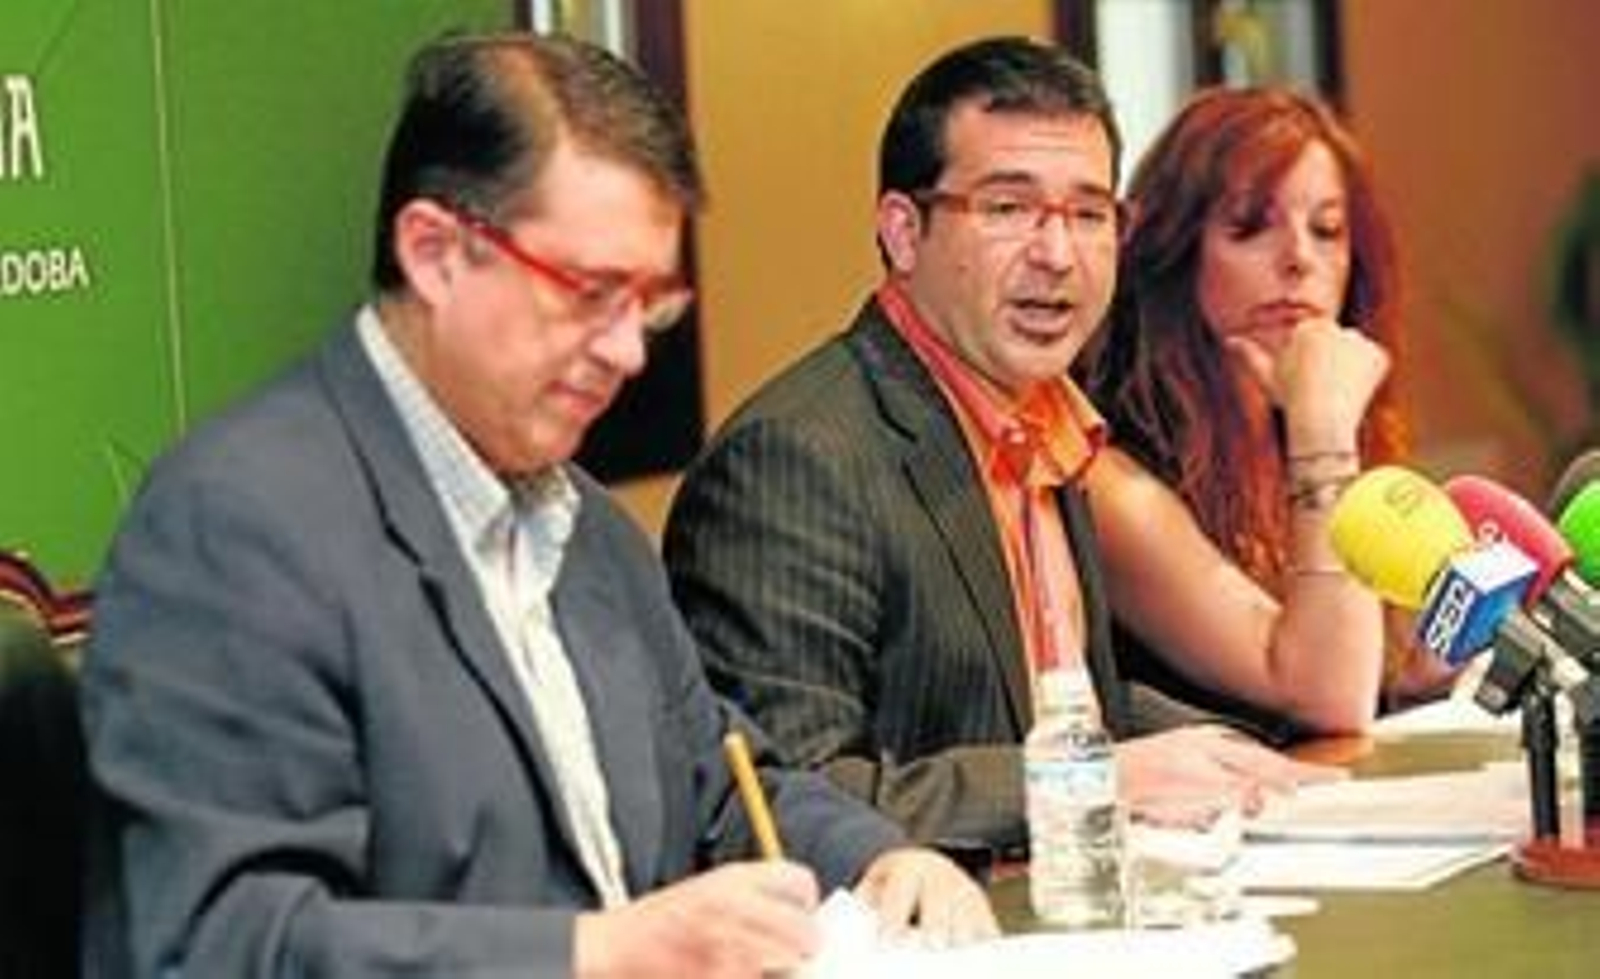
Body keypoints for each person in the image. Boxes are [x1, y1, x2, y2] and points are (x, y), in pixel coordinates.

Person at [78, 32, 992, 978]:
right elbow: (222, 942)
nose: (629, 352)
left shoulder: (584, 525)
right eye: (592, 294)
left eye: (651, 307)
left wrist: (882, 857)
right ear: (434, 251)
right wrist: (595, 951)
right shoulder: (238, 521)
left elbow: (725, 784)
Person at [663, 37, 1334, 853]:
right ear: (904, 233)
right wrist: (1097, 778)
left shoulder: (1049, 424)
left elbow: (1049, 705)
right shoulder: (795, 459)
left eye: (1088, 214)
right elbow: (778, 798)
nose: (1057, 255)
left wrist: (1232, 759)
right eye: (1008, 209)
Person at [1081, 86, 1442, 724]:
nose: (1300, 259)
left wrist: (1418, 676)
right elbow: (1327, 694)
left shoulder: (1297, 436)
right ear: (1176, 250)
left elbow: (1373, 681)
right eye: (1250, 225)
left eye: (1327, 230)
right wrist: (1324, 430)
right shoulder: (1114, 484)